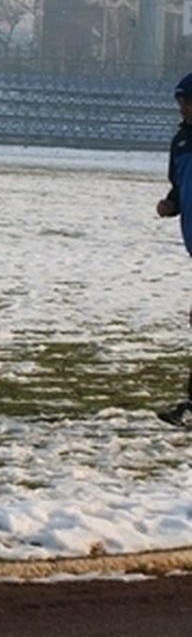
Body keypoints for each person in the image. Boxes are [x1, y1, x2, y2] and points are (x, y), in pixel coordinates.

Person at [155, 73, 192, 428]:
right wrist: (170, 204)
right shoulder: (180, 142)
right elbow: (179, 189)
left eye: (189, 100)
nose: (183, 107)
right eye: (180, 101)